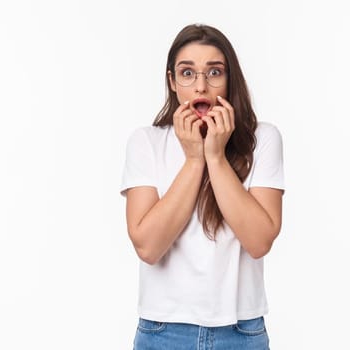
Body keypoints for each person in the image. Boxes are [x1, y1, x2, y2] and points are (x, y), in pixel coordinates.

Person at [120, 23, 284, 350]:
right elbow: (148, 247)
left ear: (229, 78)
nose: (200, 87)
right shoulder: (146, 142)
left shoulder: (262, 139)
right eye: (187, 73)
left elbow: (259, 240)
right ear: (172, 82)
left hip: (241, 332)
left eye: (214, 72)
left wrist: (216, 157)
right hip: (163, 331)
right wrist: (194, 160)